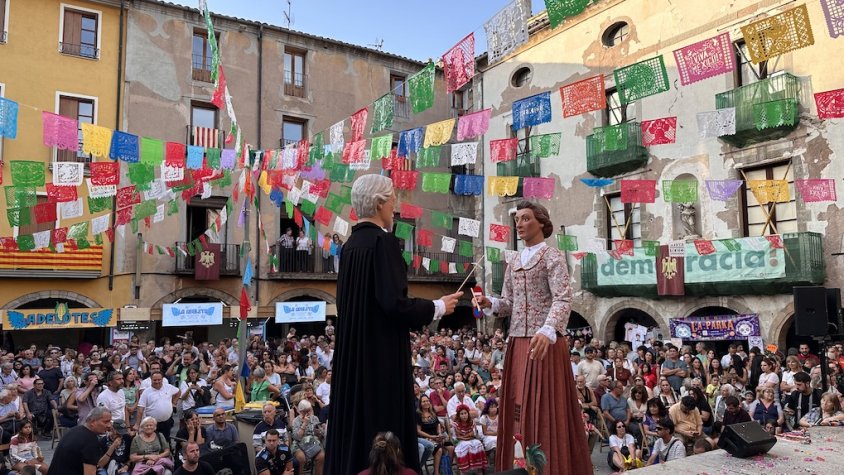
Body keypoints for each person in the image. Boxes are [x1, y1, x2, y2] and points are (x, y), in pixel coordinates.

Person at [325, 174, 462, 474]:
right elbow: (393, 304)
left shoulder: (349, 248)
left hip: (353, 359)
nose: (394, 207)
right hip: (380, 358)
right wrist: (438, 306)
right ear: (378, 203)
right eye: (392, 200)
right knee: (382, 425)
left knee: (355, 426)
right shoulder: (383, 242)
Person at [474, 201, 592, 474]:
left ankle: (548, 465)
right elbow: (508, 302)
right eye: (517, 219)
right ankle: (518, 464)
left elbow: (563, 298)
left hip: (544, 343)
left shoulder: (552, 257)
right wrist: (488, 302)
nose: (519, 223)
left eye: (525, 218)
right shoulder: (513, 259)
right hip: (517, 341)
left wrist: (548, 329)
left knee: (543, 408)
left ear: (541, 222)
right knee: (518, 405)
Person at [47, 407, 113, 475]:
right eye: (106, 422)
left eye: (110, 421)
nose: (109, 425)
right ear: (92, 422)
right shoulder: (90, 440)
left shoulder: (74, 431)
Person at [135, 371, 180, 445]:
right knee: (154, 443)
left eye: (159, 380)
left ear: (162, 379)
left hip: (166, 422)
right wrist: (137, 424)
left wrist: (174, 403)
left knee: (166, 442)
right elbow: (140, 409)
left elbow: (178, 392)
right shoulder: (146, 392)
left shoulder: (168, 387)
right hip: (152, 424)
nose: (157, 382)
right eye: (155, 380)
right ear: (151, 380)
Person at [291, 400, 324, 475]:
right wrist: (304, 424)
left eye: (309, 410)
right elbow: (297, 437)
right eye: (305, 411)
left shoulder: (315, 418)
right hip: (299, 444)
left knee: (321, 456)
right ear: (300, 411)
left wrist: (319, 432)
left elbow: (320, 435)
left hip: (312, 443)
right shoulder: (296, 421)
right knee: (301, 458)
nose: (308, 413)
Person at [451, 404, 486, 474]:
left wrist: (468, 436)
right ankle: (464, 471)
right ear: (458, 415)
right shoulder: (455, 424)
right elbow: (456, 437)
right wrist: (466, 437)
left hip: (471, 439)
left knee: (478, 444)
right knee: (467, 446)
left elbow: (474, 434)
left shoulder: (472, 422)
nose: (464, 415)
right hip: (460, 441)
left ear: (468, 413)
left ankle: (478, 469)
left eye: (465, 413)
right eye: (462, 414)